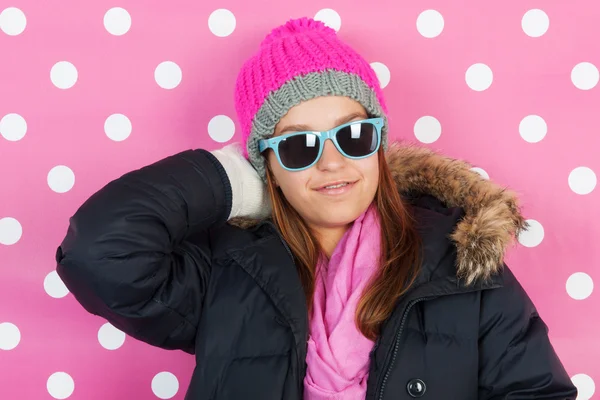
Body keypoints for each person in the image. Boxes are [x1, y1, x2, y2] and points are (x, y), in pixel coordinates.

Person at [55, 17, 577, 400]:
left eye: (353, 135)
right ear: (265, 164)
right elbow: (98, 252)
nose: (332, 163)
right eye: (299, 147)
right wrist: (235, 181)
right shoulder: (225, 270)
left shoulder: (464, 264)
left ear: (378, 142)